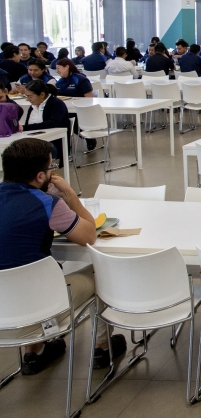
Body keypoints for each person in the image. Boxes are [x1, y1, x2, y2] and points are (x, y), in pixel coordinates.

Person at [0, 138, 126, 373]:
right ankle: (102, 346)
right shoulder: (47, 203)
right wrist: (70, 196)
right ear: (40, 176)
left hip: (3, 313)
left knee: (19, 276)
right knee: (101, 269)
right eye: (51, 167)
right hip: (40, 307)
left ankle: (34, 353)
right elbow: (89, 235)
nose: (53, 171)